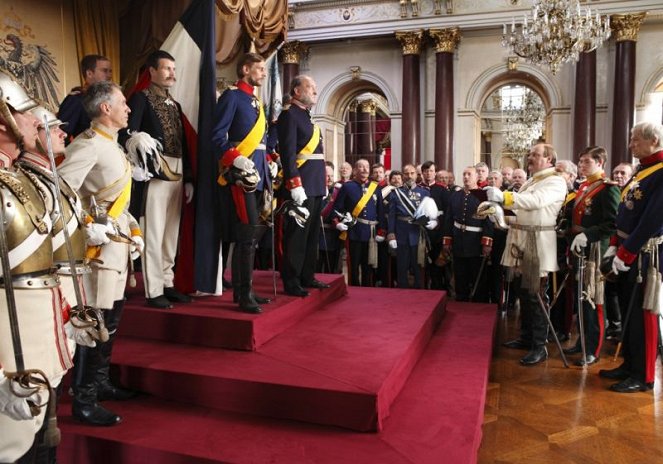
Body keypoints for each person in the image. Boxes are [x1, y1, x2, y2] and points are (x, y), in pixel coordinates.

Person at [0, 71, 95, 463]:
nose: (39, 121)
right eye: (26, 113)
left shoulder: (18, 178)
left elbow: (47, 271)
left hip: (40, 355)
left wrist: (68, 316)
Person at [58, 81, 143, 426]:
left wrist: (134, 230)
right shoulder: (89, 145)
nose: (128, 108)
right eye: (123, 102)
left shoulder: (114, 146)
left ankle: (101, 383)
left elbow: (116, 203)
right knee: (96, 326)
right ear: (105, 108)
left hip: (117, 246)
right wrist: (88, 223)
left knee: (112, 321)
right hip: (98, 250)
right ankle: (84, 400)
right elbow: (60, 193)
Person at [122, 50, 194, 309]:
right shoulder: (141, 99)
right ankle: (153, 290)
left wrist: (189, 179)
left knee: (171, 232)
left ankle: (167, 281)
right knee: (154, 230)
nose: (171, 73)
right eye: (166, 68)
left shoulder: (175, 104)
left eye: (173, 69)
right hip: (154, 171)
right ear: (151, 71)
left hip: (178, 169)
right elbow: (128, 134)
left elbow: (184, 143)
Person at [487, 143, 567, 365]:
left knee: (537, 295)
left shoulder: (555, 181)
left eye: (536, 155)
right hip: (522, 239)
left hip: (538, 242)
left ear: (549, 159)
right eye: (530, 154)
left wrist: (504, 198)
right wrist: (501, 218)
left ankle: (539, 346)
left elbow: (536, 202)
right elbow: (524, 214)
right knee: (523, 292)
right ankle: (526, 337)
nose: (530, 157)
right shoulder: (533, 180)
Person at [600, 122, 663, 393]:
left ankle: (644, 375)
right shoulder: (644, 169)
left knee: (643, 314)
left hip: (644, 253)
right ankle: (630, 364)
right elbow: (626, 214)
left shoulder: (660, 172)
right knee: (628, 311)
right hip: (627, 249)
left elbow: (651, 220)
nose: (631, 145)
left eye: (635, 140)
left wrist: (626, 251)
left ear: (654, 140)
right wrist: (615, 245)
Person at [213, 52, 275, 312]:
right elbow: (217, 136)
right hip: (241, 176)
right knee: (246, 235)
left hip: (259, 173)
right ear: (246, 69)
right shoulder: (232, 97)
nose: (263, 73)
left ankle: (245, 289)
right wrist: (235, 159)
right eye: (259, 69)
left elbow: (261, 143)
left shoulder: (255, 102)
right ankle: (242, 293)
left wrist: (269, 160)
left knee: (253, 235)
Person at [564, 147, 619, 366]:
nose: (581, 165)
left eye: (586, 161)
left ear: (600, 162)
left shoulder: (607, 189)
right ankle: (582, 341)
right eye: (580, 161)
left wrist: (589, 234)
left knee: (594, 300)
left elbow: (612, 224)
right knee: (581, 298)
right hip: (580, 247)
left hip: (595, 249)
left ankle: (593, 349)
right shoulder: (585, 186)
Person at [277, 75, 330, 295]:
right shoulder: (289, 115)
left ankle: (307, 276)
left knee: (311, 234)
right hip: (301, 185)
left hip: (315, 183)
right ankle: (291, 281)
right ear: (297, 91)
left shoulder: (309, 119)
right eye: (310, 86)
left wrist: (323, 183)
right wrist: (294, 183)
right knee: (297, 235)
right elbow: (288, 154)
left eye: (315, 86)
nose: (315, 90)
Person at [443, 166, 493, 301]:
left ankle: (479, 302)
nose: (465, 177)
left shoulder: (484, 196)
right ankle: (461, 299)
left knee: (477, 275)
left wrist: (487, 243)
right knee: (460, 273)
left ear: (477, 177)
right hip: (459, 239)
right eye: (464, 174)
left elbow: (488, 222)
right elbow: (449, 219)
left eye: (469, 174)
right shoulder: (455, 196)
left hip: (475, 242)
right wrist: (447, 241)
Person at [335, 159, 385, 286]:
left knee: (368, 265)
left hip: (371, 233)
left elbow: (380, 211)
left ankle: (368, 289)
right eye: (361, 167)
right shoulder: (347, 187)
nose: (365, 170)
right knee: (354, 265)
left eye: (367, 167)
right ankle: (354, 289)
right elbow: (337, 209)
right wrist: (339, 222)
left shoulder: (375, 187)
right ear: (355, 170)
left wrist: (382, 231)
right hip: (354, 232)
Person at [388, 164, 435, 289]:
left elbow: (429, 213)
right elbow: (392, 215)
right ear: (403, 175)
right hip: (401, 233)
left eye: (412, 173)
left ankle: (419, 291)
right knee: (401, 265)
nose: (409, 176)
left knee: (418, 265)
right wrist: (391, 234)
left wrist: (433, 222)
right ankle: (402, 292)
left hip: (417, 234)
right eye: (406, 173)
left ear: (416, 174)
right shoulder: (396, 193)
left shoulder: (425, 192)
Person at [604, 161, 634, 338]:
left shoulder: (633, 194)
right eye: (616, 173)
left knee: (623, 292)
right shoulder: (612, 192)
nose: (618, 176)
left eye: (623, 173)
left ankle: (621, 327)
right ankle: (615, 325)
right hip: (612, 244)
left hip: (629, 248)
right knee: (611, 288)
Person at [57, 55, 112, 143]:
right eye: (105, 71)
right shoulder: (76, 100)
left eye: (110, 71)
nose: (109, 75)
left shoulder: (109, 100)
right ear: (89, 74)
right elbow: (61, 135)